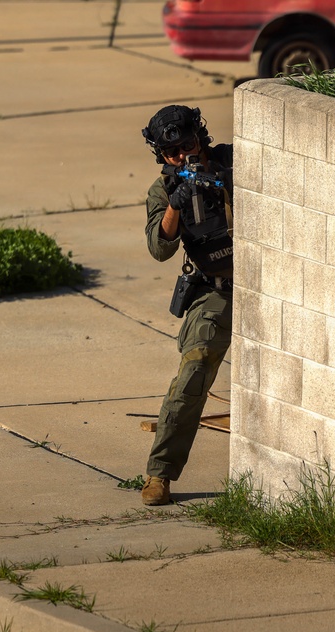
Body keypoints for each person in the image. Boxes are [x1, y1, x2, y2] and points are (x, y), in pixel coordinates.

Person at [139, 105, 234, 506]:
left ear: (201, 137)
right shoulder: (163, 189)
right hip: (215, 290)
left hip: (268, 281)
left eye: (188, 145)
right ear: (162, 155)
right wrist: (178, 202)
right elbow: (159, 248)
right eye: (172, 152)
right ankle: (160, 474)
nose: (182, 156)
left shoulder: (233, 159)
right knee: (193, 371)